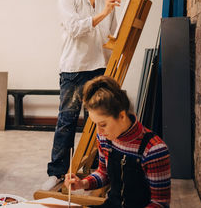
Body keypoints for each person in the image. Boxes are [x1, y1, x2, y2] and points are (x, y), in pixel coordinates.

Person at [42, 0, 121, 190]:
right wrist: (104, 12)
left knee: (98, 123)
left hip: (100, 68)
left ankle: (98, 171)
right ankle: (56, 173)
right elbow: (76, 29)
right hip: (74, 69)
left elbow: (113, 33)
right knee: (66, 121)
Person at [64, 76, 171, 207]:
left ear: (121, 116)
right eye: (95, 125)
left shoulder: (154, 149)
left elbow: (159, 203)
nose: (99, 132)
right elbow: (104, 173)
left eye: (103, 124)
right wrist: (82, 183)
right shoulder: (104, 138)